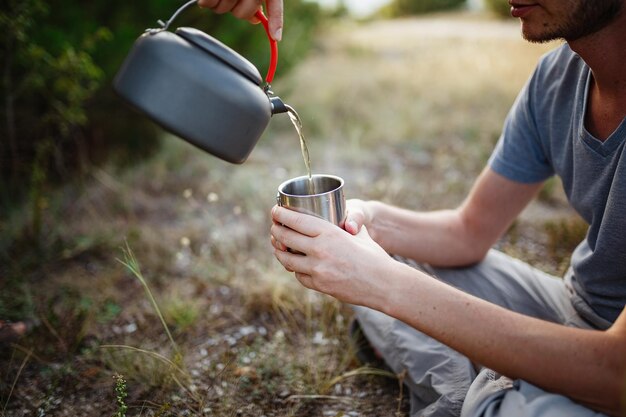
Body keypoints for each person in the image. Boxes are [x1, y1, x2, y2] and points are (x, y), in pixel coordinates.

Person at [268, 0, 626, 416]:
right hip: (574, 306)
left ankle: (486, 395)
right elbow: (468, 233)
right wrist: (369, 221)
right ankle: (479, 393)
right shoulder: (556, 79)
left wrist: (382, 283)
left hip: (612, 367)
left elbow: (617, 374)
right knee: (386, 252)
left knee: (502, 405)